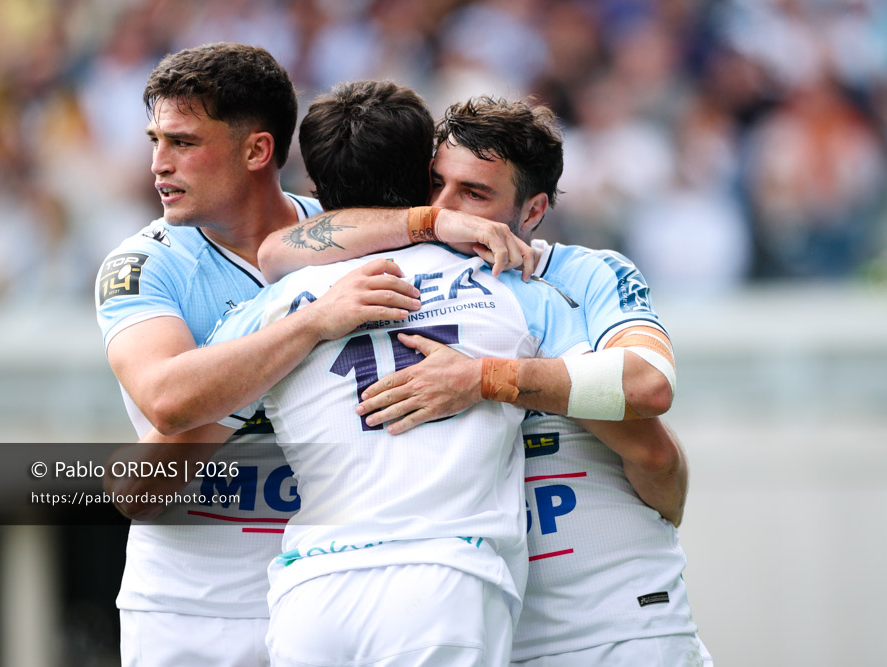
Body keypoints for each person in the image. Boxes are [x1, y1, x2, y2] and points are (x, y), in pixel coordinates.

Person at [95, 43, 527, 667]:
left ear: (257, 151)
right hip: (193, 601)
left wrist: (434, 224)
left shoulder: (331, 233)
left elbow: (371, 233)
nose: (158, 164)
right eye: (154, 140)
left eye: (182, 142)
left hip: (318, 582)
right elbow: (167, 401)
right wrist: (312, 325)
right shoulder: (144, 264)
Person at [259, 96, 712, 664]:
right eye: (437, 184)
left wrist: (484, 378)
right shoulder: (408, 262)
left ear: (533, 210)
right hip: (489, 620)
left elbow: (648, 394)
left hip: (610, 620)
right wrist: (428, 221)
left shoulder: (582, 276)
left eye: (475, 194)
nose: (452, 208)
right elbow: (278, 250)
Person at [191, 80, 599, 666]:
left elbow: (175, 423)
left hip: (314, 590)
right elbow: (624, 396)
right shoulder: (512, 282)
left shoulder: (275, 304)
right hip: (444, 579)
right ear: (423, 177)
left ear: (314, 189)